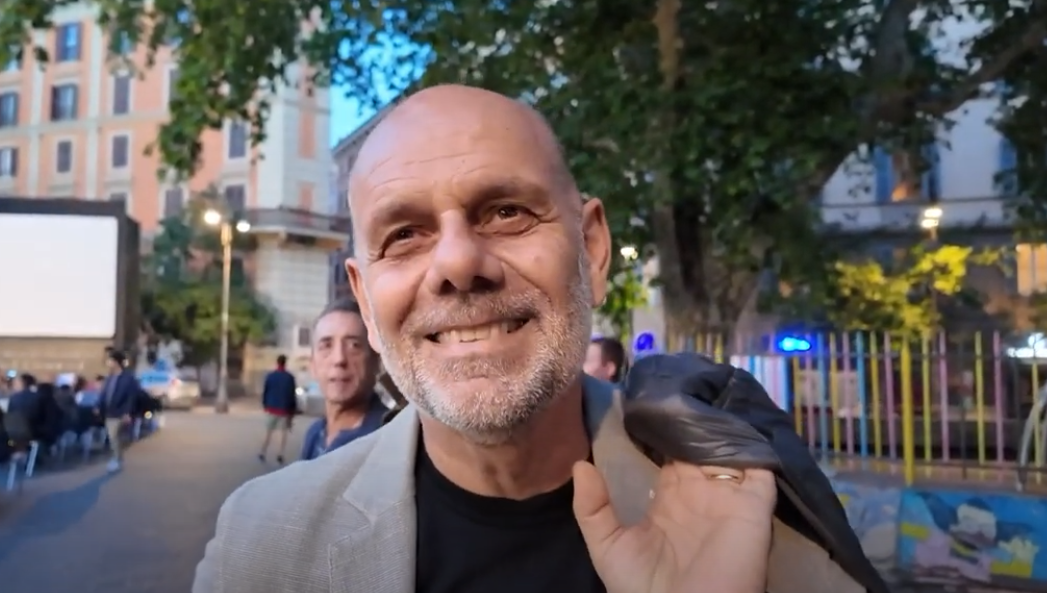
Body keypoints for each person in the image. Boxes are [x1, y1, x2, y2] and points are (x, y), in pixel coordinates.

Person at [195, 86, 848, 593]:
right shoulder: (261, 543)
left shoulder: (744, 514)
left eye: (506, 211)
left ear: (590, 246)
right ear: (365, 299)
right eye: (404, 234)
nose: (456, 263)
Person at [299, 298, 387, 461]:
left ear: (376, 362)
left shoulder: (391, 442)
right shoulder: (314, 434)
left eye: (354, 345)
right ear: (312, 365)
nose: (339, 359)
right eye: (326, 346)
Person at [99, 350, 142, 473]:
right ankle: (117, 458)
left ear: (116, 362)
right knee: (113, 436)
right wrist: (98, 406)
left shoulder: (128, 378)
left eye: (110, 360)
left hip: (120, 411)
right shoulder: (110, 377)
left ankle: (116, 459)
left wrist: (128, 412)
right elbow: (104, 393)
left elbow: (131, 396)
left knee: (114, 435)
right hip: (108, 411)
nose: (108, 363)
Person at [258, 354, 298, 464]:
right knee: (282, 433)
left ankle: (262, 452)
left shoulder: (270, 376)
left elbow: (265, 391)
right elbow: (292, 395)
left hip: (271, 407)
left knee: (268, 431)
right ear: (285, 363)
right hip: (284, 409)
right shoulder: (290, 378)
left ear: (277, 362)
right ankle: (280, 454)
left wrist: (265, 404)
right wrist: (292, 410)